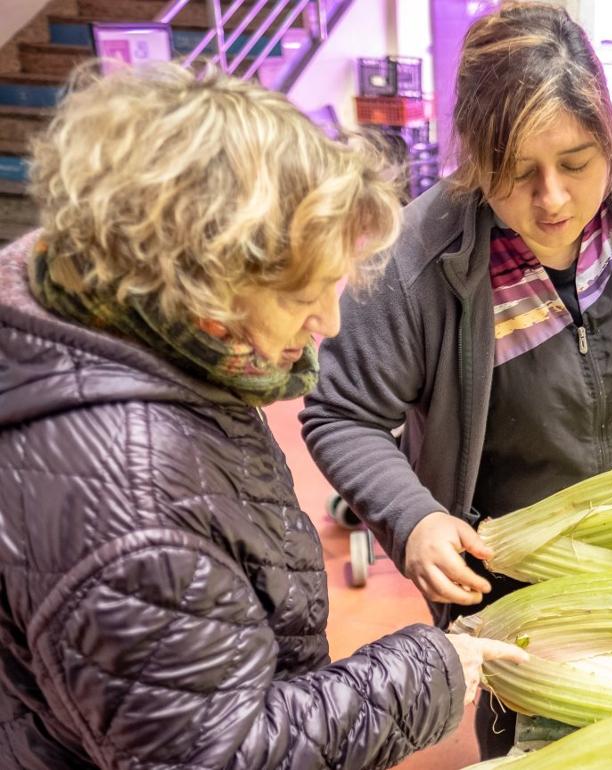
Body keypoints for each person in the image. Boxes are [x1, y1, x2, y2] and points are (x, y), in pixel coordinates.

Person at [0, 63, 525, 769]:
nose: (331, 320)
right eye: (303, 293)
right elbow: (219, 755)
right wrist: (429, 673)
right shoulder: (130, 499)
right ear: (200, 286)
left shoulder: (141, 341)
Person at [300, 1, 612, 759]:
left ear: (609, 138)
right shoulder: (420, 261)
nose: (552, 199)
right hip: (509, 582)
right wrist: (414, 519)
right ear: (476, 162)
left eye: (577, 163)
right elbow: (341, 414)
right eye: (517, 174)